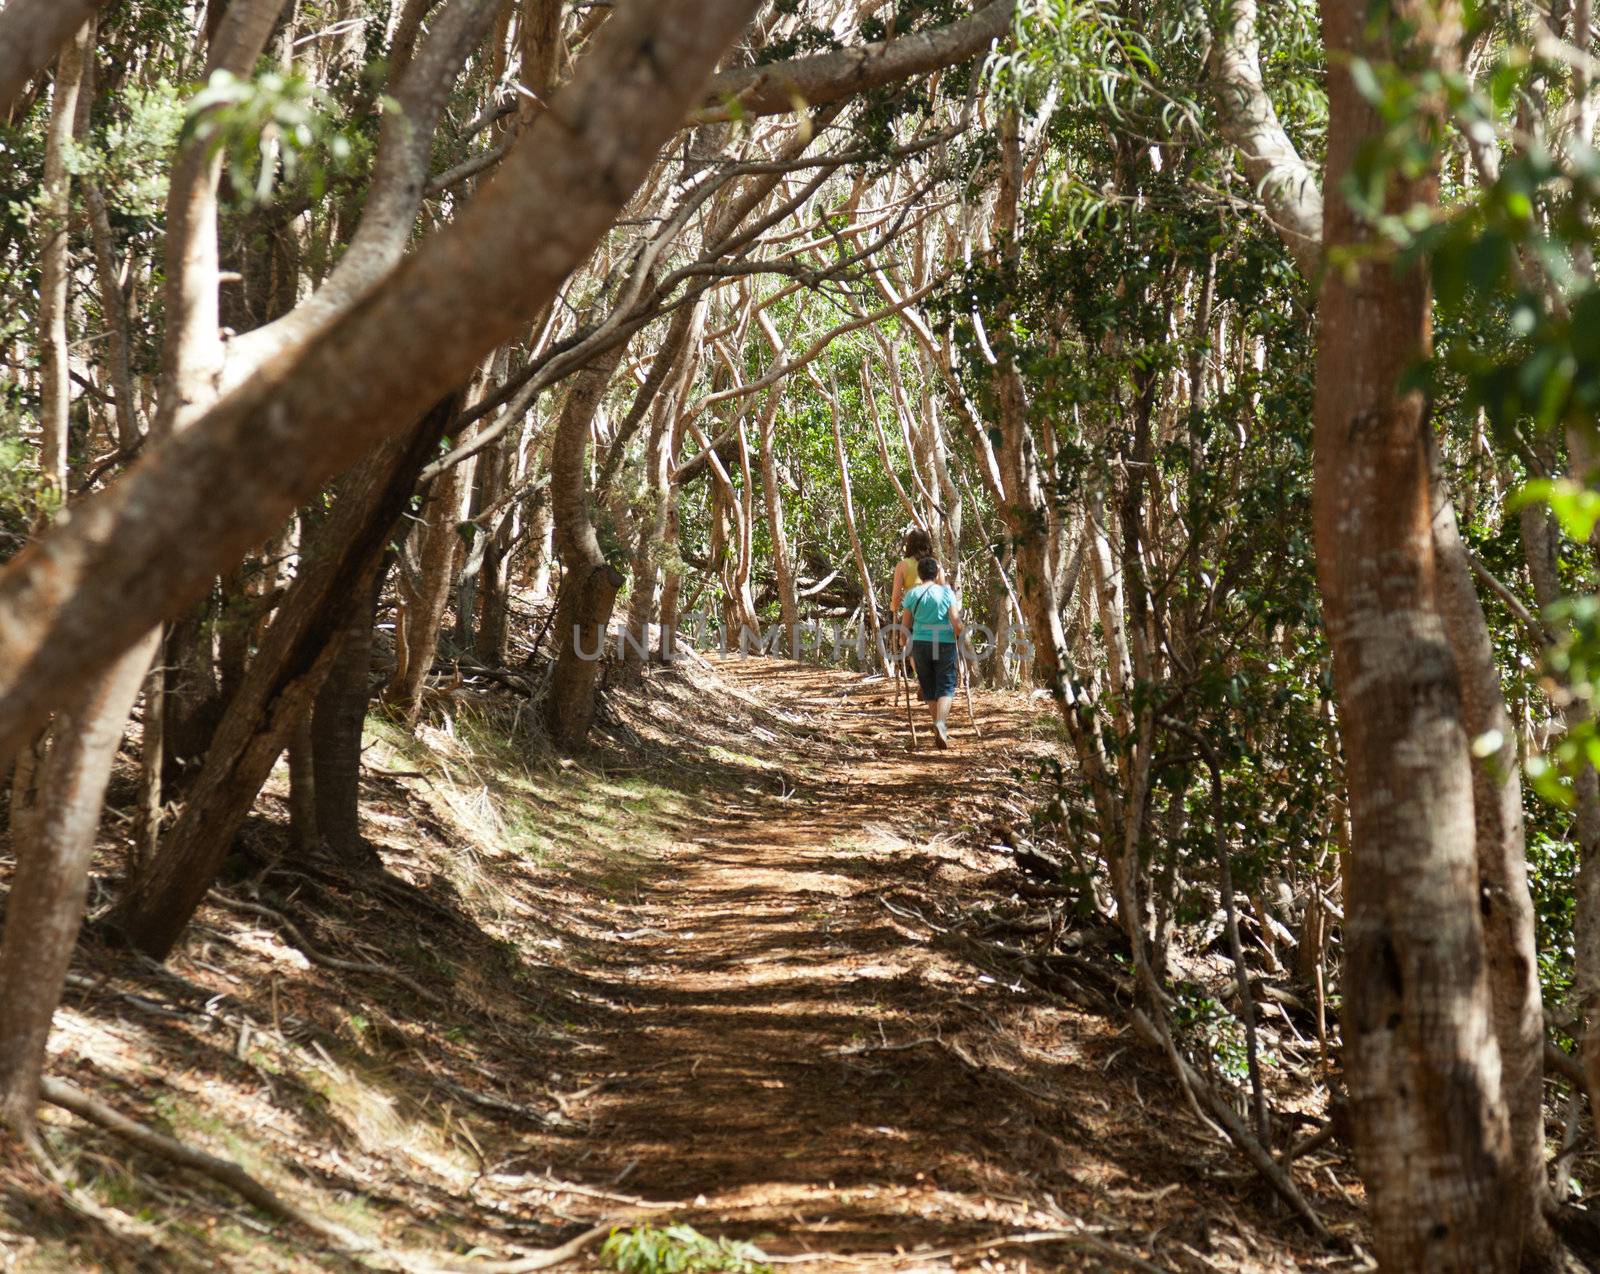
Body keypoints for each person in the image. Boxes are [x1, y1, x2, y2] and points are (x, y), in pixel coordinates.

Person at [900, 555, 963, 749]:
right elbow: (955, 621)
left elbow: (905, 626)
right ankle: (940, 723)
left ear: (919, 574)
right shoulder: (946, 593)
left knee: (928, 685)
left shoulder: (912, 594)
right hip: (944, 643)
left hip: (920, 644)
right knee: (946, 684)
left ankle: (938, 724)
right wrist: (961, 633)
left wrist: (905, 645)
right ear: (937, 574)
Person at [889, 528, 933, 616]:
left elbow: (896, 597)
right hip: (935, 615)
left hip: (914, 614)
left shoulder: (902, 566)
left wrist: (893, 606)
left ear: (909, 545)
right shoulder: (935, 564)